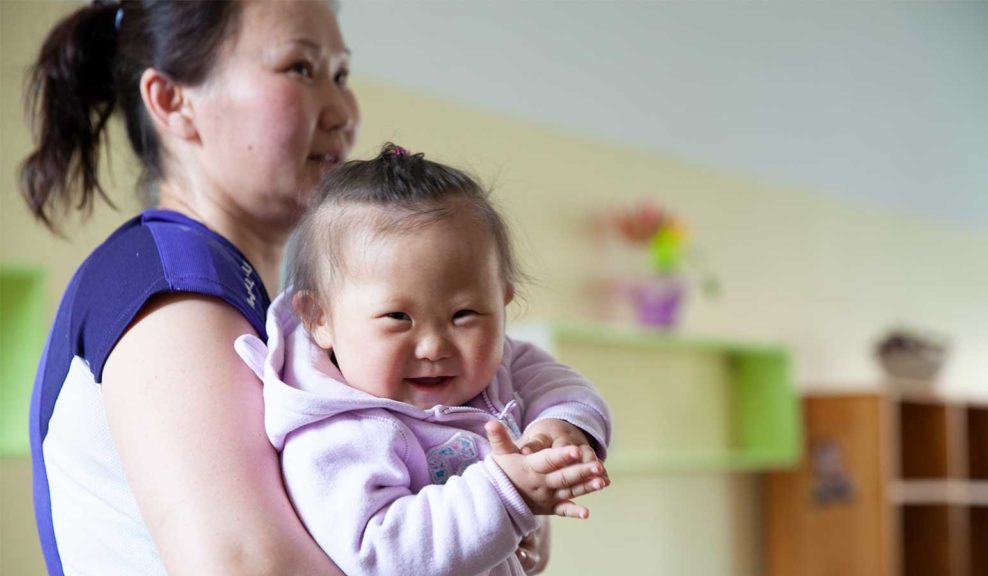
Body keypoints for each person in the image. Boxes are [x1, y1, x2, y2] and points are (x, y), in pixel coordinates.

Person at [18, 1, 595, 573]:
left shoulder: (258, 299)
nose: (345, 109)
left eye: (341, 74)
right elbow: (251, 566)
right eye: (301, 68)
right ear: (174, 101)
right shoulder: (169, 281)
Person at [234, 144, 613, 576]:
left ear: (503, 302)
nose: (433, 346)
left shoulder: (501, 361)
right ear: (320, 318)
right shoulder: (335, 434)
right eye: (398, 317)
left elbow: (562, 386)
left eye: (464, 314)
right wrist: (508, 496)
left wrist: (560, 428)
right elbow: (380, 553)